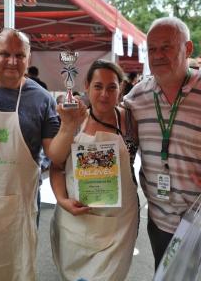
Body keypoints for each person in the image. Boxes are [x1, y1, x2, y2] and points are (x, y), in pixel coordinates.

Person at [0, 28, 87, 281]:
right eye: (4, 53)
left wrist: (69, 126)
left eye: (19, 55)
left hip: (20, 205)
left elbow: (54, 154)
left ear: (29, 58)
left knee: (17, 268)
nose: (12, 61)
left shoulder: (40, 98)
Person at [123, 16, 201, 271]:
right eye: (152, 48)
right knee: (167, 276)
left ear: (187, 49)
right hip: (161, 220)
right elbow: (117, 142)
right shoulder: (136, 97)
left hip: (200, 215)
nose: (158, 55)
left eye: (167, 46)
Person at [50, 59, 139, 281]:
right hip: (75, 222)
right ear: (87, 86)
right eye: (98, 86)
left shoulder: (131, 120)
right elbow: (55, 164)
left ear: (120, 90)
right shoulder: (75, 120)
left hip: (118, 226)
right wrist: (61, 200)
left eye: (112, 87)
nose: (104, 94)